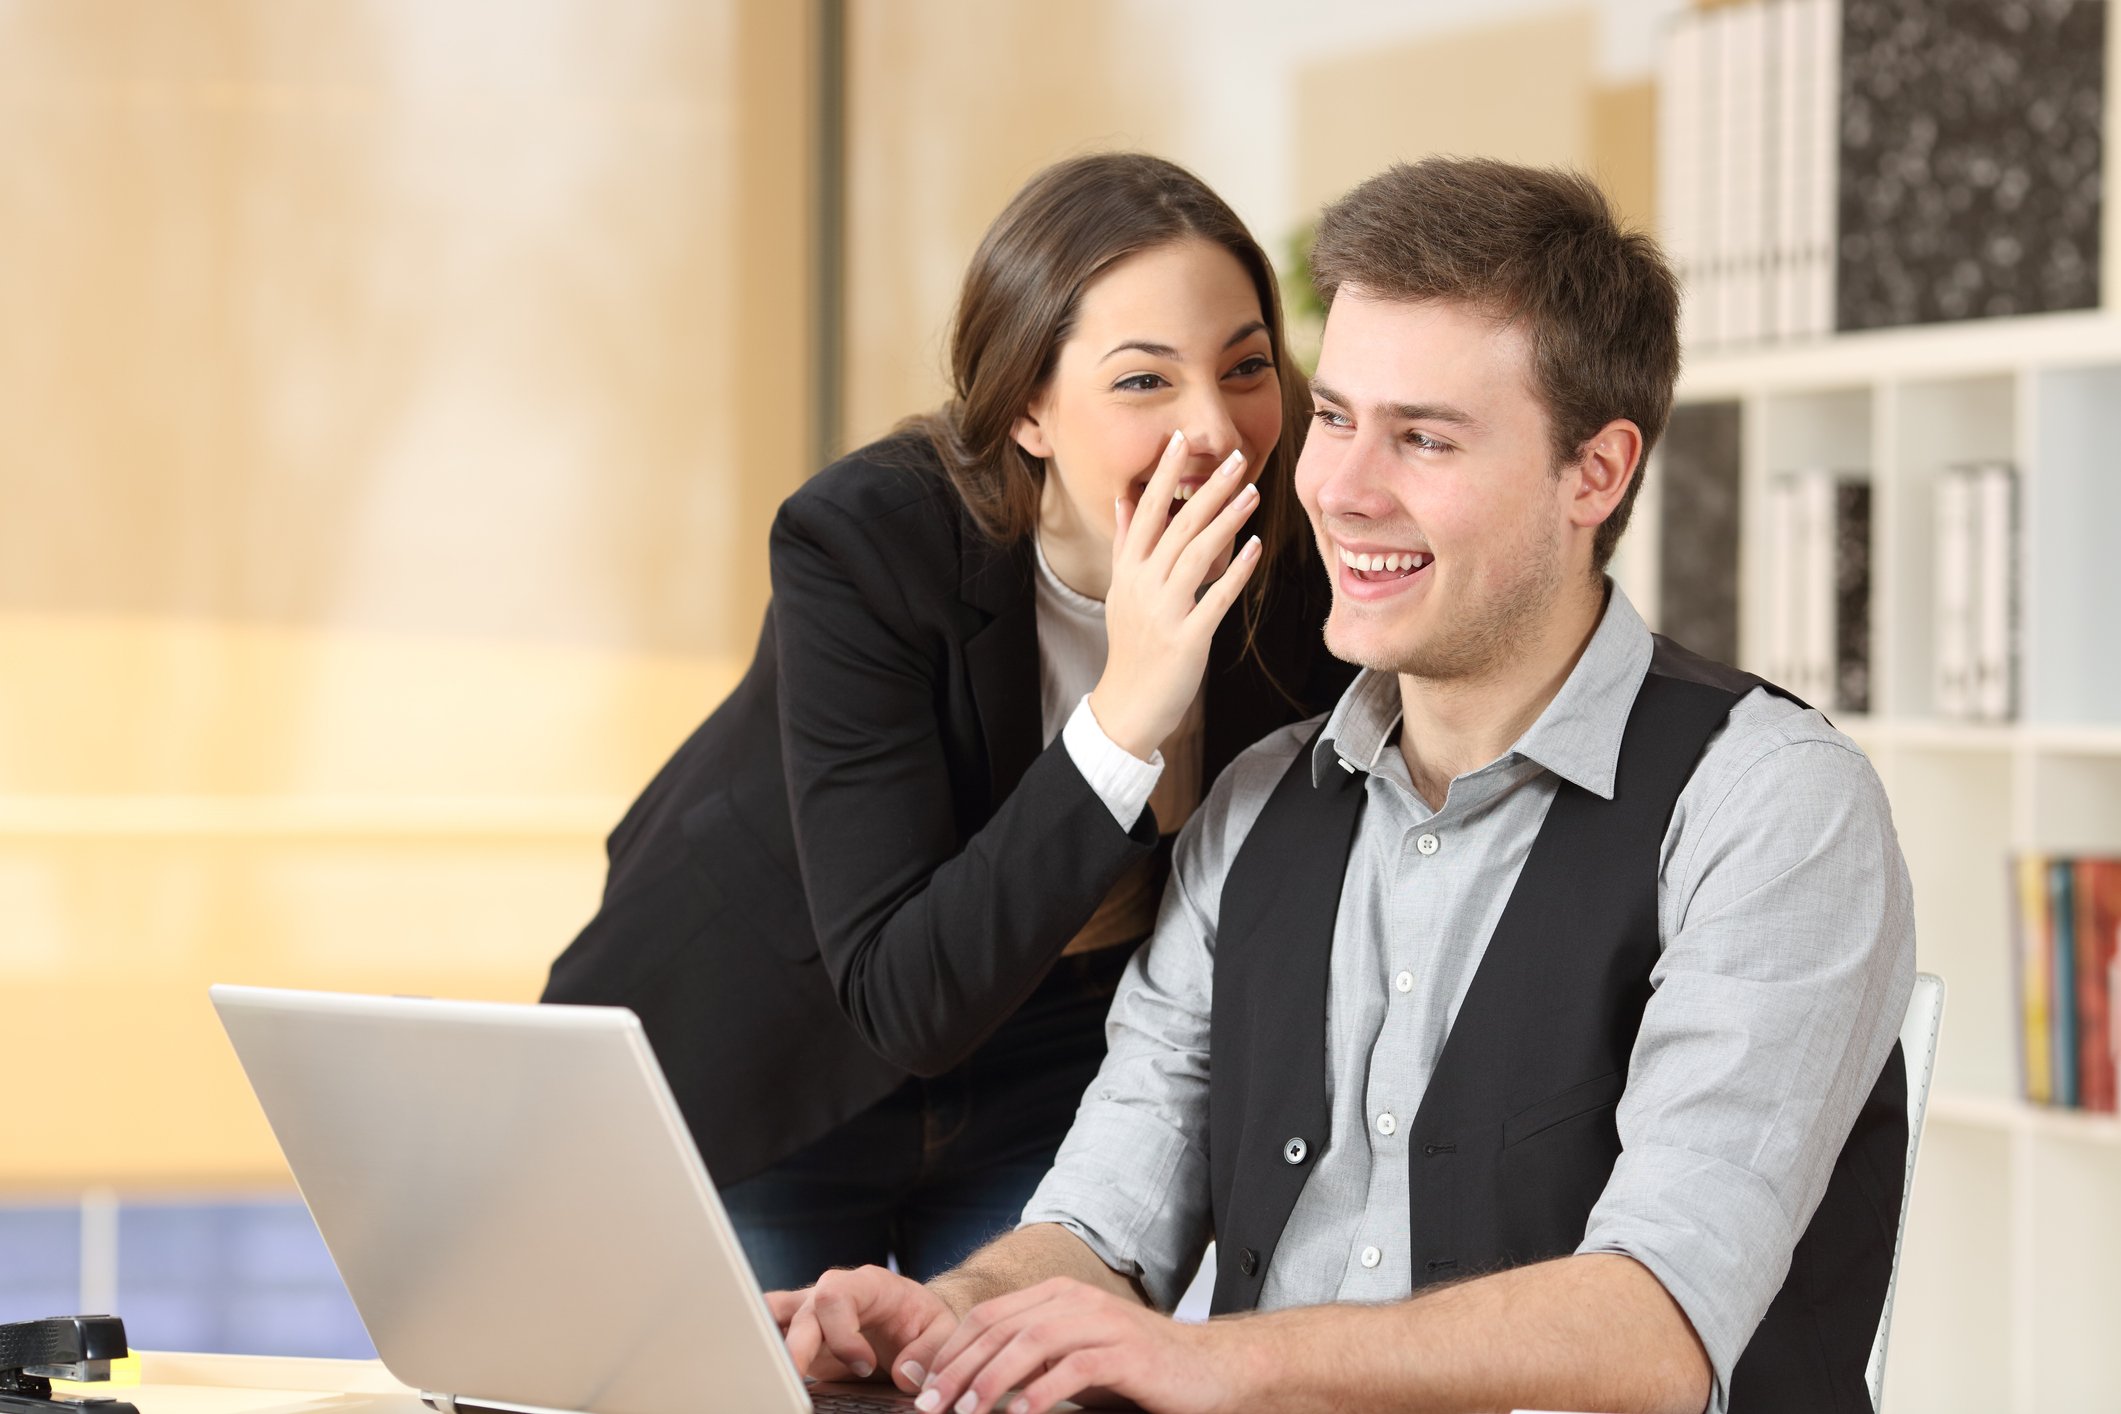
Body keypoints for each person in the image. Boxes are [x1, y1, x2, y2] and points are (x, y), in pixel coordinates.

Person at [772, 157, 1917, 1414]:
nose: (1338, 489)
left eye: (1424, 437)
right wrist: (948, 1316)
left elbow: (1655, 1321)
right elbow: (1103, 1227)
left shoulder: (1770, 807)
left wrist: (1213, 1357)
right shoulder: (1259, 800)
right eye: (1335, 418)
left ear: (1595, 473)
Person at [540, 152, 1352, 1291]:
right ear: (1027, 408)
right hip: (782, 1047)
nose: (1215, 430)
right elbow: (903, 994)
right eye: (1143, 382)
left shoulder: (1305, 543)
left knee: (1024, 1373)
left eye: (1247, 366)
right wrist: (1131, 709)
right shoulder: (867, 540)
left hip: (1055, 1046)